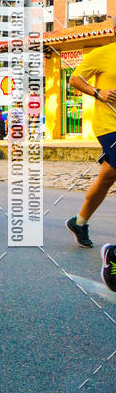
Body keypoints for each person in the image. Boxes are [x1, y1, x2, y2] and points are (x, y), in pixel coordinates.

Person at [66, 21, 116, 247]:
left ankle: (80, 221)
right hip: (108, 125)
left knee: (108, 176)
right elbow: (74, 79)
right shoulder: (102, 54)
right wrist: (98, 92)